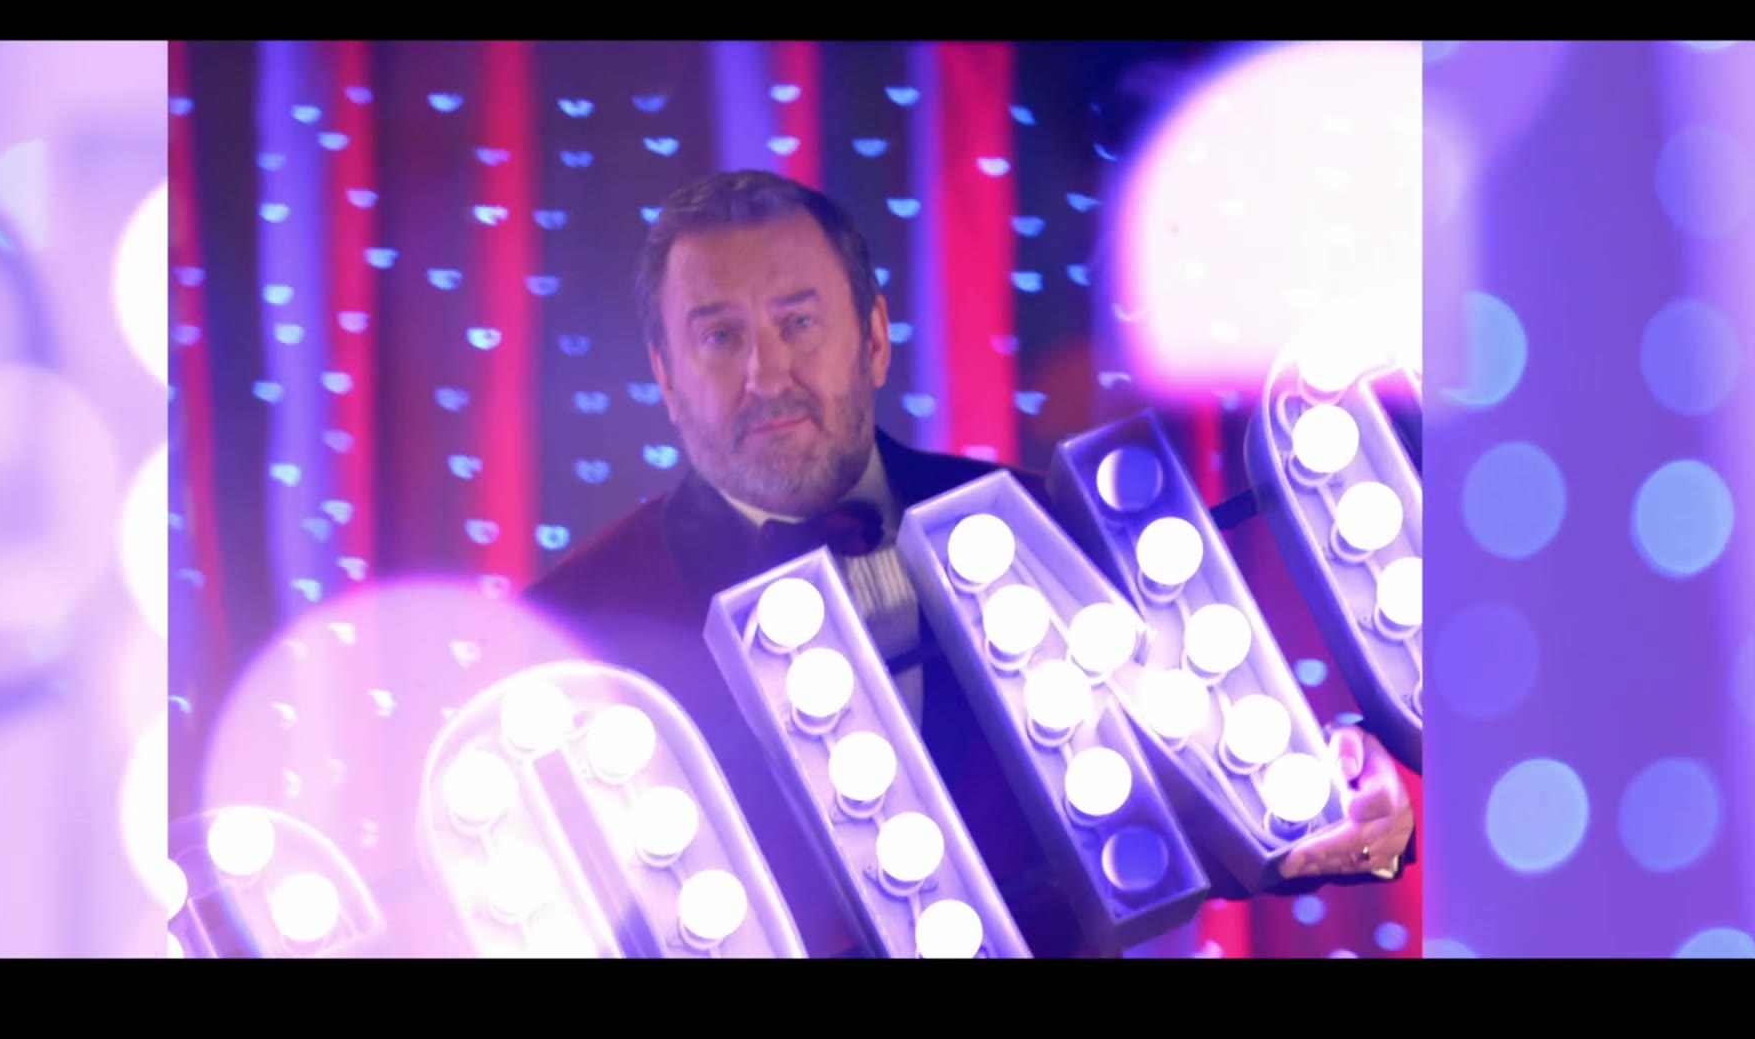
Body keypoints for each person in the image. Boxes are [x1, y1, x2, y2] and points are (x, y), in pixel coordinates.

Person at [522, 169, 1415, 958]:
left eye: (798, 321)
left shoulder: (1043, 532)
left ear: (874, 337)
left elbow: (1199, 814)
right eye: (719, 337)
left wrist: (1352, 810)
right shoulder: (564, 641)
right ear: (666, 376)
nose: (766, 372)